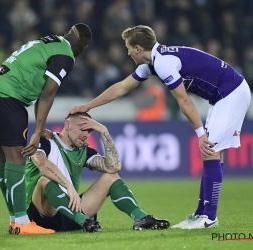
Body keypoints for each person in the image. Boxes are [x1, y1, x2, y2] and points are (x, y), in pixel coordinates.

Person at [68, 25, 251, 229]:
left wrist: (200, 134)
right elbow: (121, 87)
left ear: (138, 48)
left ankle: (209, 217)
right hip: (222, 95)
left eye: (128, 47)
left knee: (210, 151)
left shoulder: (163, 63)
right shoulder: (153, 63)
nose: (127, 52)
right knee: (213, 154)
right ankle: (201, 213)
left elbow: (184, 101)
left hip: (231, 93)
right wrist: (88, 105)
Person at [0, 23, 92, 235]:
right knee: (18, 159)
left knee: (5, 159)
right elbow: (48, 93)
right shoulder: (66, 54)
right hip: (8, 96)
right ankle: (22, 222)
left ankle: (15, 221)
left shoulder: (49, 42)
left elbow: (41, 92)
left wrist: (41, 127)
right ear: (83, 45)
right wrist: (37, 132)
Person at [24, 112, 170, 233]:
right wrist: (68, 186)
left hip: (71, 214)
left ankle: (141, 218)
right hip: (41, 216)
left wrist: (103, 131)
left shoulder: (83, 151)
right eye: (82, 128)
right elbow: (42, 164)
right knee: (44, 180)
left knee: (110, 177)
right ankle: (83, 221)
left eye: (89, 130)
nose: (86, 135)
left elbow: (114, 166)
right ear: (67, 124)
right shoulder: (45, 141)